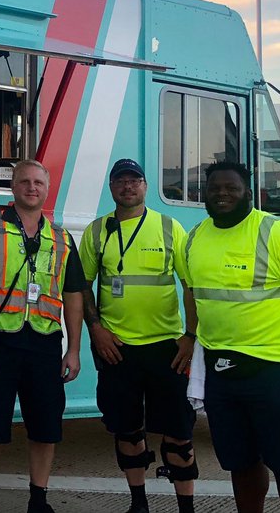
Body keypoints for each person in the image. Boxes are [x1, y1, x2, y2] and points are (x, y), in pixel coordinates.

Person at [185, 161, 280, 513]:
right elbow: (192, 290)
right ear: (204, 194)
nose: (222, 194)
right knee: (240, 464)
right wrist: (190, 334)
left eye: (231, 188)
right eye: (214, 188)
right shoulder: (195, 236)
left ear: (249, 194)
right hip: (223, 373)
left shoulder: (277, 233)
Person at [0, 159, 85, 513]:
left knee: (45, 426)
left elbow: (73, 297)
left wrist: (73, 350)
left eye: (38, 183)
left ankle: (38, 500)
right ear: (13, 189)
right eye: (25, 182)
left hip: (43, 342)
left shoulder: (61, 238)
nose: (31, 187)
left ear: (47, 189)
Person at [80, 159, 199, 513]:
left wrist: (191, 336)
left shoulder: (169, 227)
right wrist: (96, 330)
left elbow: (189, 285)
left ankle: (187, 507)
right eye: (120, 181)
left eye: (135, 180)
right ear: (112, 188)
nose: (128, 186)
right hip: (117, 349)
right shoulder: (97, 231)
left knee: (179, 434)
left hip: (167, 348)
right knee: (127, 431)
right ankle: (138, 504)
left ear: (146, 187)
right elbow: (82, 285)